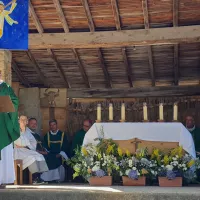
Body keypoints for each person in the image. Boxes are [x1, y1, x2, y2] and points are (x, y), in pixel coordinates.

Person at [14, 116, 48, 184]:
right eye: (22, 120)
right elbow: (16, 142)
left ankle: (38, 176)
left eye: (25, 120)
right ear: (18, 121)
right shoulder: (15, 129)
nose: (24, 122)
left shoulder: (27, 131)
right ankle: (34, 178)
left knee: (39, 155)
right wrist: (24, 144)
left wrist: (26, 145)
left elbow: (33, 141)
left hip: (26, 149)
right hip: (18, 151)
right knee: (32, 157)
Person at [0, 71, 20, 185]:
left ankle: (4, 179)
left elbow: (15, 101)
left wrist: (7, 107)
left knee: (4, 153)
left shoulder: (6, 87)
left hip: (4, 122)